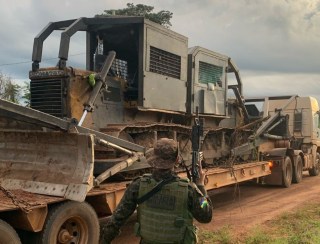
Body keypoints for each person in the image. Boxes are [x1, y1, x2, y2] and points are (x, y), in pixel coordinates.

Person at [100, 138, 213, 244]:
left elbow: (116, 220)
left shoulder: (138, 185)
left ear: (153, 159)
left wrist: (104, 240)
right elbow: (206, 216)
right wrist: (200, 185)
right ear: (177, 160)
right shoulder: (188, 190)